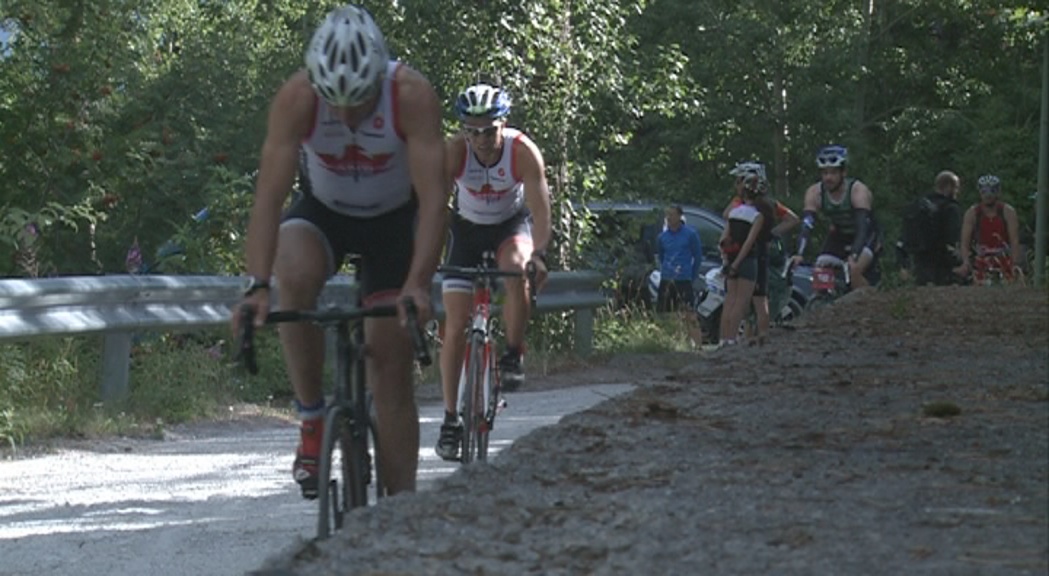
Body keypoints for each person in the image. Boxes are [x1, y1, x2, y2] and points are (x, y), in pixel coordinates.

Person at [230, 5, 448, 499]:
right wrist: (257, 286)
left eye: (362, 102)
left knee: (390, 370)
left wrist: (417, 283)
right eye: (337, 104)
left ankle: (399, 510)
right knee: (292, 272)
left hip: (395, 221)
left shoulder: (410, 95)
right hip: (325, 210)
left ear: (380, 78)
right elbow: (267, 200)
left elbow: (436, 202)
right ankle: (310, 417)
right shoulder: (298, 98)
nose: (348, 116)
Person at [434, 83, 551, 462]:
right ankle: (451, 419)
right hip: (465, 230)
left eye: (489, 131)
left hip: (509, 226)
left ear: (503, 125)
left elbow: (540, 209)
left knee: (517, 270)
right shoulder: (454, 152)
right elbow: (433, 207)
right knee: (454, 325)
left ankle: (514, 353)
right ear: (464, 131)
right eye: (473, 131)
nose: (481, 140)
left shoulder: (522, 152)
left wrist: (540, 255)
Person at [724, 161, 799, 341]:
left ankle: (735, 340)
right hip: (759, 253)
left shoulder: (743, 203)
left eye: (739, 181)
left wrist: (770, 233)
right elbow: (792, 219)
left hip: (752, 255)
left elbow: (727, 215)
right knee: (758, 301)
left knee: (750, 301)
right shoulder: (770, 204)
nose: (736, 185)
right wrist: (772, 234)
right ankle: (756, 339)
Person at [792, 145, 881, 288]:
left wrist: (854, 255)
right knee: (821, 269)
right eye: (825, 173)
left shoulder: (858, 191)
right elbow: (807, 225)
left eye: (833, 173)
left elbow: (862, 227)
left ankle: (869, 304)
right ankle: (823, 306)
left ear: (843, 172)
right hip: (839, 234)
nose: (828, 178)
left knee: (854, 270)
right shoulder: (815, 193)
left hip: (865, 235)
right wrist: (799, 253)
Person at [718, 173, 771, 347]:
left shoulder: (733, 213)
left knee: (730, 299)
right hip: (746, 261)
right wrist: (737, 263)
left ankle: (723, 338)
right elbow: (749, 242)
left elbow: (723, 239)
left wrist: (727, 261)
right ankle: (732, 339)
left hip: (731, 256)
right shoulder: (757, 216)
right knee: (742, 301)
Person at [897, 170, 963, 286]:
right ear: (948, 187)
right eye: (956, 188)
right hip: (942, 262)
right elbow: (953, 237)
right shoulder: (950, 208)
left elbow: (905, 234)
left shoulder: (917, 204)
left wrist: (904, 261)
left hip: (919, 259)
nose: (957, 192)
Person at [954, 174, 1022, 283]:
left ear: (998, 192)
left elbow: (1014, 241)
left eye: (992, 191)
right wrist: (966, 262)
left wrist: (1015, 263)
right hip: (981, 260)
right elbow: (964, 243)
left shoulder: (1007, 212)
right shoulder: (973, 213)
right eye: (984, 191)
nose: (988, 195)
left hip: (1003, 259)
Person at [655, 205, 704, 348]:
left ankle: (698, 345)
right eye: (667, 215)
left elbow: (698, 256)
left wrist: (692, 275)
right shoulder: (662, 237)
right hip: (667, 279)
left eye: (672, 214)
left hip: (684, 278)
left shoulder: (690, 234)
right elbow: (661, 256)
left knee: (690, 313)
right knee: (666, 314)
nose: (669, 218)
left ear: (679, 216)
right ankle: (670, 344)